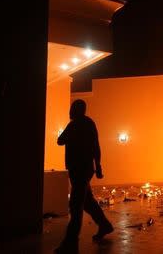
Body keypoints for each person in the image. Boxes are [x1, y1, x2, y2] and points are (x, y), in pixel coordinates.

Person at [55, 99, 113, 253]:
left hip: (78, 170)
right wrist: (98, 166)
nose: (70, 111)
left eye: (72, 108)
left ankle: (70, 242)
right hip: (85, 169)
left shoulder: (74, 125)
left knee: (75, 205)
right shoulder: (89, 123)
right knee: (87, 202)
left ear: (76, 110)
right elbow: (96, 146)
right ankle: (105, 225)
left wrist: (68, 136)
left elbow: (59, 141)